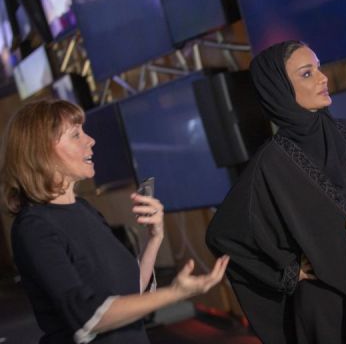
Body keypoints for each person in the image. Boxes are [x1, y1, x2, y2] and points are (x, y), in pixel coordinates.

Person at [206, 41, 346, 344]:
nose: (322, 78)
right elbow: (224, 236)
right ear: (280, 89)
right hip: (332, 313)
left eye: (318, 68)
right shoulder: (270, 164)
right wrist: (289, 272)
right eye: (306, 73)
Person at [0, 99, 229, 344]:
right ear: (42, 151)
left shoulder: (84, 209)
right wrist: (175, 293)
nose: (90, 140)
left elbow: (131, 292)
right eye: (76, 135)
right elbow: (89, 316)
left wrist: (155, 238)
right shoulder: (34, 228)